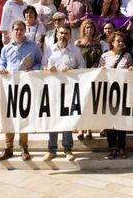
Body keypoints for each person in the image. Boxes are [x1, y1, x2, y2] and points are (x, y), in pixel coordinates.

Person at [0, 20, 42, 161]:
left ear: (25, 30)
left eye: (21, 29)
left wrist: (33, 69)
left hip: (26, 87)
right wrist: (0, 69)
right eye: (16, 29)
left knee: (23, 115)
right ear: (12, 31)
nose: (18, 31)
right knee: (8, 116)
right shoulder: (6, 48)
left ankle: (24, 148)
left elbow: (41, 62)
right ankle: (8, 147)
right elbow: (1, 64)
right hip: (9, 86)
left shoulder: (34, 47)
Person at [42, 25, 86, 161]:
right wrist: (48, 68)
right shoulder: (49, 49)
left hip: (69, 90)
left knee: (67, 119)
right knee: (53, 119)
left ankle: (68, 149)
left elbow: (83, 67)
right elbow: (42, 66)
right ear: (56, 34)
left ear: (70, 35)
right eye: (61, 33)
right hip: (53, 89)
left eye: (66, 33)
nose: (63, 35)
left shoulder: (75, 50)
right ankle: (52, 150)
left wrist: (72, 69)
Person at [98, 31, 133, 159]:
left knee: (121, 122)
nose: (120, 43)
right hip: (109, 93)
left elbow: (132, 71)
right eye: (117, 41)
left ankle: (122, 148)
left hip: (123, 93)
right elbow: (99, 73)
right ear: (112, 42)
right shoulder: (105, 56)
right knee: (110, 122)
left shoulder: (127, 56)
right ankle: (112, 148)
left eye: (121, 41)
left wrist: (131, 70)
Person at [75, 19, 103, 140]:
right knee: (81, 103)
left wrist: (93, 70)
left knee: (90, 103)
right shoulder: (77, 43)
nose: (89, 30)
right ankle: (81, 128)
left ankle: (89, 128)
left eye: (91, 27)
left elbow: (99, 59)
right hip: (80, 76)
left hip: (93, 75)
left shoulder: (98, 44)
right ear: (83, 29)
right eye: (86, 27)